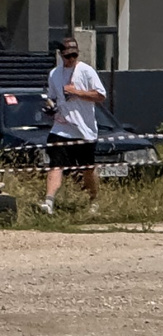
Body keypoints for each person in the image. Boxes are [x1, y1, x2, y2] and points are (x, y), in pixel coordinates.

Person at [43, 38, 107, 215]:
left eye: (74, 55)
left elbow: (101, 96)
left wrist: (77, 92)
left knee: (87, 169)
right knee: (56, 165)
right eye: (67, 56)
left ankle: (94, 200)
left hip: (84, 130)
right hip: (61, 127)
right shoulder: (54, 74)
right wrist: (50, 106)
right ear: (61, 55)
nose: (71, 59)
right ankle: (49, 201)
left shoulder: (86, 71)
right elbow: (52, 96)